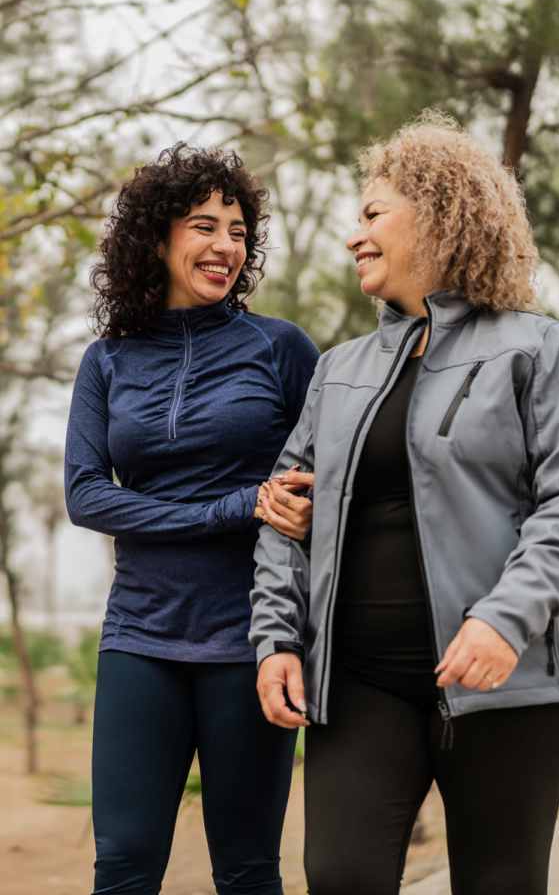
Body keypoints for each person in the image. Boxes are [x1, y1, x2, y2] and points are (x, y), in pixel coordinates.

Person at [249, 112, 559, 895]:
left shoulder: (535, 348)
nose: (355, 235)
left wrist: (500, 620)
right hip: (360, 682)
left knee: (498, 883)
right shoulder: (337, 370)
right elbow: (283, 511)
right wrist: (276, 637)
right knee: (341, 876)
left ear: (439, 215)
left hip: (504, 682)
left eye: (373, 214)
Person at [64, 143, 319, 895]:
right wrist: (232, 507)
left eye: (238, 231)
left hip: (250, 638)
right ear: (156, 237)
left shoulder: (279, 349)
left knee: (245, 870)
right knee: (123, 864)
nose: (224, 247)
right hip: (139, 634)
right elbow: (86, 495)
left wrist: (283, 517)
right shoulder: (107, 360)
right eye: (204, 226)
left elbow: (315, 483)